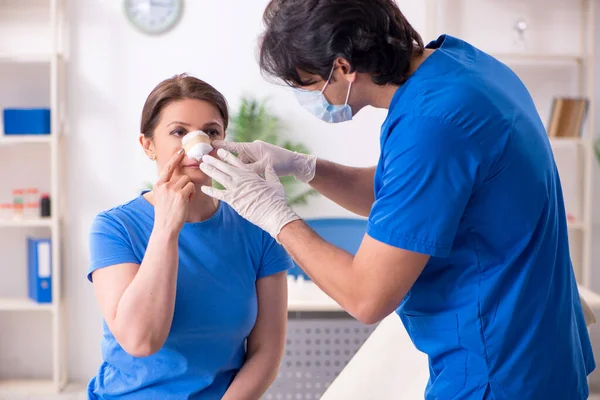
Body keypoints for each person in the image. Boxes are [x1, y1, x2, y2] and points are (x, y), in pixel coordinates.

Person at [197, 0, 596, 399]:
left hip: (497, 368)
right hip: (541, 350)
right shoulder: (462, 68)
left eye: (306, 85)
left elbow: (366, 297)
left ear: (341, 68)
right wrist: (303, 166)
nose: (308, 98)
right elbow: (412, 195)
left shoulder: (433, 123)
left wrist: (274, 216)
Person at [87, 73, 292, 399]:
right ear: (148, 145)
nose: (198, 145)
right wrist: (167, 226)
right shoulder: (115, 228)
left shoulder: (257, 227)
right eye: (179, 132)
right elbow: (140, 341)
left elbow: (266, 351)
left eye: (211, 132)